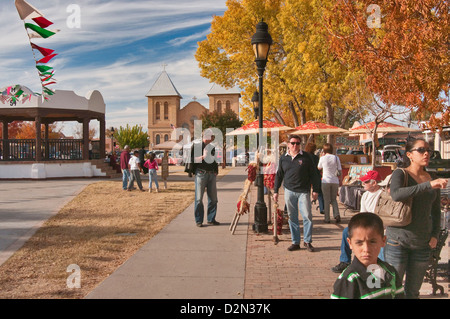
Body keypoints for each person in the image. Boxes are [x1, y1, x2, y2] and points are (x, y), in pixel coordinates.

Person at [384, 138, 447, 299]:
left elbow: (435, 210)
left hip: (422, 243)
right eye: (421, 150)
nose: (426, 153)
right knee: (393, 290)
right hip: (398, 240)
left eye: (428, 150)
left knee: (412, 292)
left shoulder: (432, 176)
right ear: (410, 155)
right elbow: (397, 194)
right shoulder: (400, 173)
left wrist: (435, 234)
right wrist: (428, 185)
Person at [331, 213, 405, 299]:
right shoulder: (349, 280)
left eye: (372, 242)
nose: (366, 249)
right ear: (350, 243)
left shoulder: (390, 272)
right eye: (359, 243)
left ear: (383, 240)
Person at [273, 134, 321, 252]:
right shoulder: (283, 158)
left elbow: (314, 175)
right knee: (292, 217)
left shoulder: (306, 157)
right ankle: (295, 242)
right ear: (288, 144)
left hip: (303, 191)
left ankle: (307, 241)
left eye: (297, 143)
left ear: (300, 145)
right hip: (289, 191)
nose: (295, 145)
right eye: (293, 143)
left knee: (307, 216)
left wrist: (315, 190)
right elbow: (279, 175)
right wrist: (275, 191)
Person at [331, 170, 385, 273]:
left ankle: (379, 266)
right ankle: (345, 261)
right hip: (367, 224)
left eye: (365, 182)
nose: (362, 184)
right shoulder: (365, 195)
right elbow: (362, 214)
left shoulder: (382, 195)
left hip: (379, 226)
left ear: (374, 183)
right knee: (347, 231)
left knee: (378, 239)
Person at [193, 129, 219, 227]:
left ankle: (211, 219)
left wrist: (216, 170)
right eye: (211, 136)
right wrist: (203, 156)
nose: (213, 138)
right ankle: (199, 220)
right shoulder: (197, 146)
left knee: (213, 199)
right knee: (199, 199)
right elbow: (193, 160)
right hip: (201, 174)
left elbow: (214, 159)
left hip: (211, 174)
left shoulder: (212, 147)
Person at [317, 143, 342, 223]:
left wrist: (321, 156)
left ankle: (327, 218)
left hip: (325, 180)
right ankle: (336, 214)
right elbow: (340, 170)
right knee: (334, 199)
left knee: (326, 200)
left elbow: (319, 168)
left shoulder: (322, 158)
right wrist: (340, 179)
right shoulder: (336, 158)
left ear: (324, 150)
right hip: (335, 180)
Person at [305, 142, 324, 215]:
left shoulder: (305, 157)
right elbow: (319, 168)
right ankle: (322, 208)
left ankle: (307, 209)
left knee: (306, 192)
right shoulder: (316, 157)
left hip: (307, 176)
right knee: (319, 192)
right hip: (316, 175)